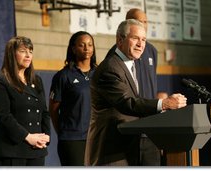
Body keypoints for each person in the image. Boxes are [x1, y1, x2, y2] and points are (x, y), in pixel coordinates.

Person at [84, 19, 187, 166]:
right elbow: (127, 102)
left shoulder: (132, 65)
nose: (141, 44)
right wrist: (164, 103)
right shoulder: (110, 68)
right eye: (135, 38)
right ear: (120, 40)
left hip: (129, 148)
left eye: (144, 39)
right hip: (110, 150)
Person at [106, 8, 160, 166]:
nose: (142, 24)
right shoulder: (115, 55)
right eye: (137, 22)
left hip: (151, 126)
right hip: (128, 126)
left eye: (145, 21)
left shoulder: (152, 51)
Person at [0, 36, 50, 166]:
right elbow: (3, 116)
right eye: (23, 51)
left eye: (31, 51)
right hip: (10, 150)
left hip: (36, 150)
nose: (28, 55)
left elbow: (44, 112)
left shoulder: (36, 80)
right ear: (11, 54)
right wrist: (28, 137)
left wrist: (46, 136)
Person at [49, 31, 97, 166]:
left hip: (96, 138)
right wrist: (64, 133)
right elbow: (53, 110)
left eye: (90, 45)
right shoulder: (63, 76)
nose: (87, 48)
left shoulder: (100, 74)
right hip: (72, 140)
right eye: (82, 45)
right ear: (73, 49)